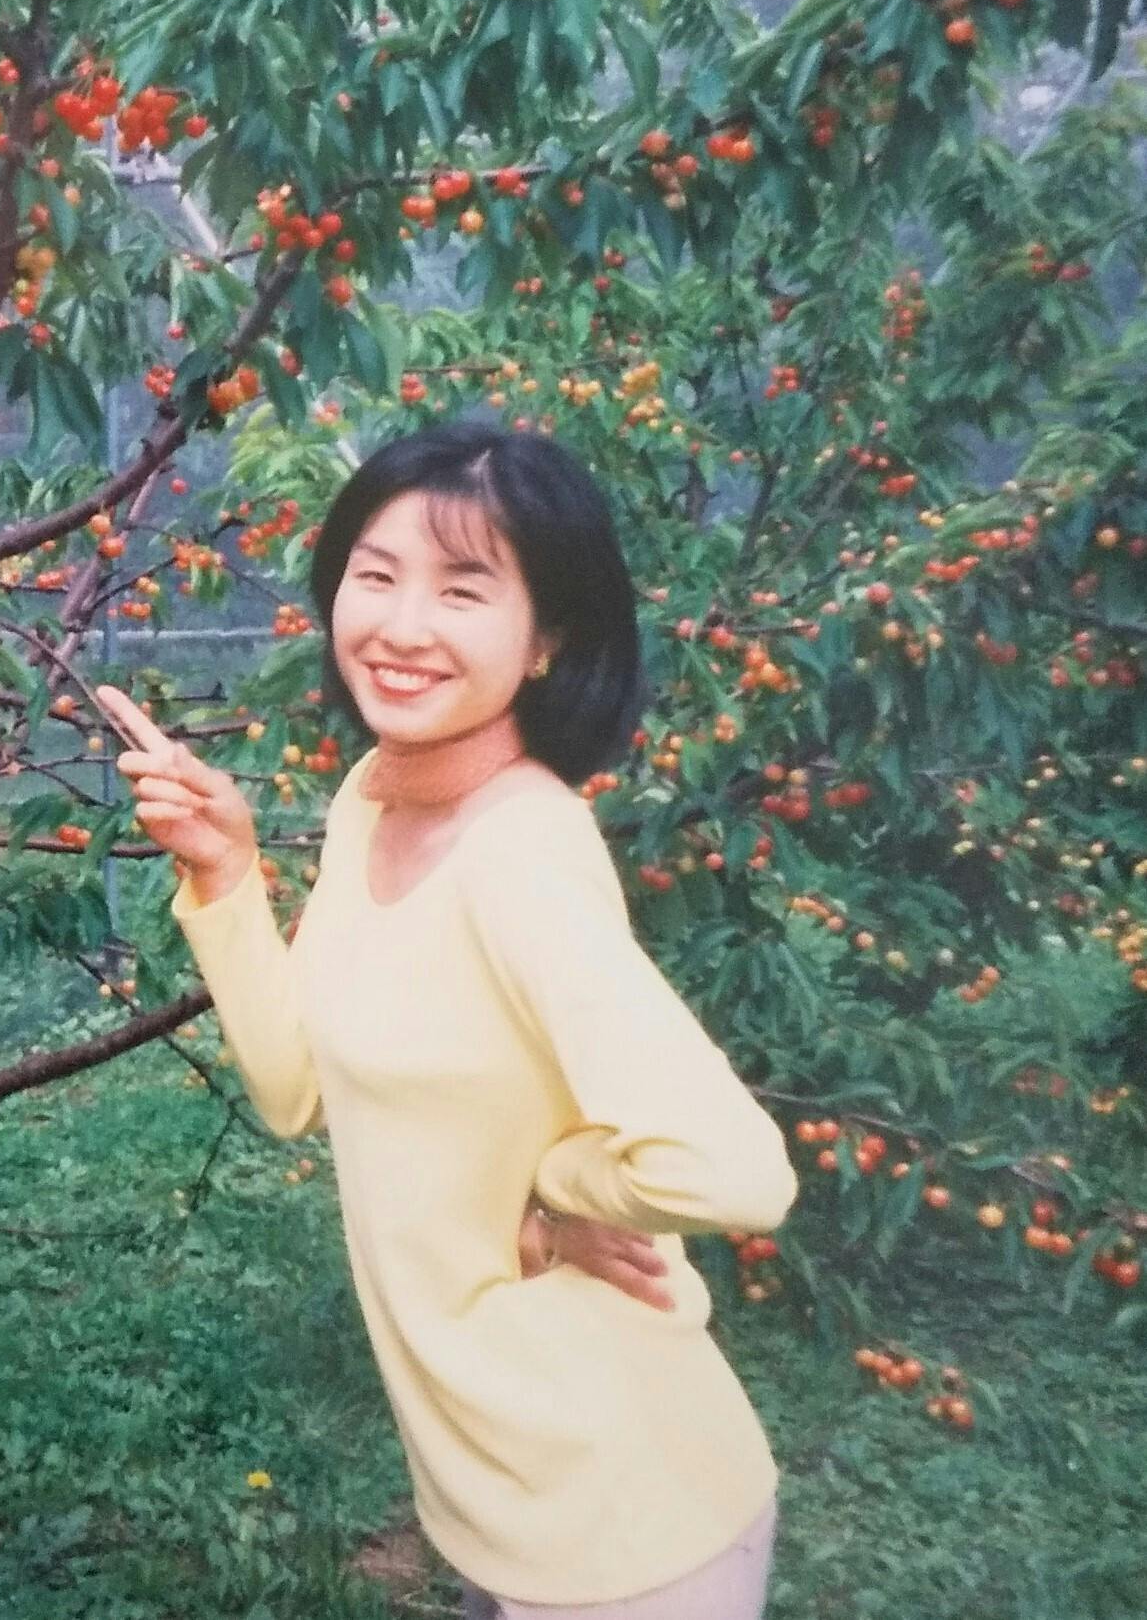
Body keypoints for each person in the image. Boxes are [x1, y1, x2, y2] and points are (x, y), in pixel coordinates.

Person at [97, 418, 797, 1619]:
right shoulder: (375, 797)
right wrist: (226, 875)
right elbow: (296, 1091)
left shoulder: (521, 859)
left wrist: (553, 1192)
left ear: (547, 640)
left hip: (624, 1517)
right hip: (497, 1494)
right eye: (375, 575)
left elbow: (737, 1171)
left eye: (463, 589)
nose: (401, 626)